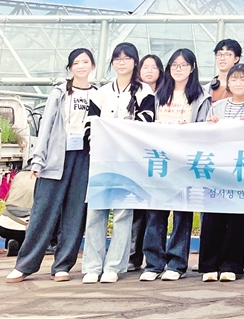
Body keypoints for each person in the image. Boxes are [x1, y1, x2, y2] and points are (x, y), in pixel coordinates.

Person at [6, 49, 98, 283]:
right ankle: (25, 265)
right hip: (56, 157)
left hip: (83, 158)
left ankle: (62, 265)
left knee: (75, 213)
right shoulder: (59, 92)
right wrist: (38, 160)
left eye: (85, 62)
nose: (81, 66)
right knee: (43, 211)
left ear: (93, 66)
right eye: (76, 63)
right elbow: (46, 126)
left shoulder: (98, 94)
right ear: (70, 68)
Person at [82, 44, 156, 284]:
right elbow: (89, 124)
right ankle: (92, 266)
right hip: (101, 159)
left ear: (135, 62)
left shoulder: (144, 91)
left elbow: (146, 123)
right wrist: (100, 140)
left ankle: (114, 266)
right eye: (117, 58)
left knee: (123, 213)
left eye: (126, 58)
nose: (121, 62)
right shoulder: (101, 92)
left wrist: (119, 135)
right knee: (96, 212)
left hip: (128, 160)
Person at [141, 48, 211, 282]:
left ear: (192, 68)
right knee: (155, 212)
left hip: (185, 161)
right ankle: (153, 263)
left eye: (183, 65)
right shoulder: (159, 94)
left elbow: (204, 128)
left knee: (182, 212)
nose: (178, 69)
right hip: (160, 159)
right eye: (174, 65)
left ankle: (177, 263)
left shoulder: (200, 97)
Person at [200, 64, 244, 282]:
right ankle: (209, 264)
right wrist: (210, 125)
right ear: (227, 82)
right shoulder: (217, 107)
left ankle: (231, 264)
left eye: (242, 79)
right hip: (219, 168)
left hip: (243, 168)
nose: (238, 83)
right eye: (233, 79)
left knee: (238, 218)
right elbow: (205, 136)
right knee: (213, 216)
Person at [128, 54, 164, 272]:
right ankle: (133, 255)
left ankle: (153, 256)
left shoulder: (166, 94)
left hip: (161, 158)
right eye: (145, 67)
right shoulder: (132, 93)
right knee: (136, 208)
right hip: (136, 157)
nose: (149, 71)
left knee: (154, 209)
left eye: (154, 67)